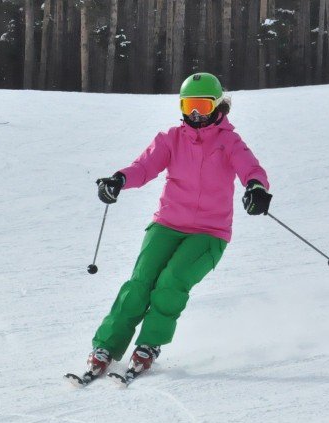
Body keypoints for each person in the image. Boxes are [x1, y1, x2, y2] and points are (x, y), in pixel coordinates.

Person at [82, 72, 272, 382]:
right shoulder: (171, 138)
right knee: (140, 282)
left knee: (171, 282)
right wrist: (119, 179)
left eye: (202, 105)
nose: (195, 114)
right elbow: (144, 166)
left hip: (209, 232)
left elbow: (251, 168)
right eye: (188, 105)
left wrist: (256, 188)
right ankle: (106, 346)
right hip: (167, 223)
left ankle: (149, 344)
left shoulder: (229, 141)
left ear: (217, 106)